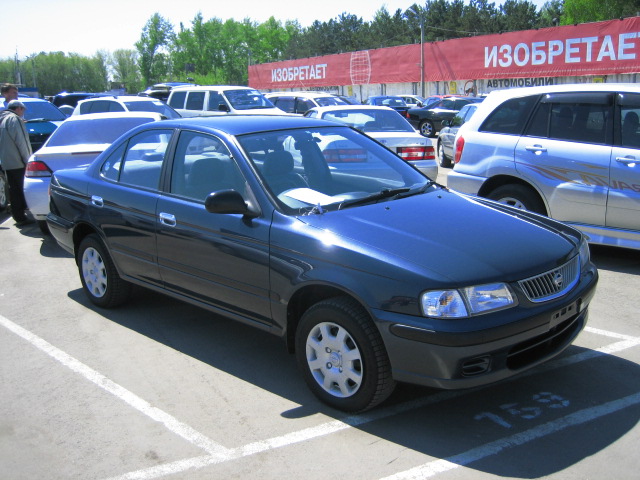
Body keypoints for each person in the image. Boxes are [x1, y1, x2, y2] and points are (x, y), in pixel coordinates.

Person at [0, 99, 33, 226]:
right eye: (23, 110)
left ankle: (18, 215)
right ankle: (22, 215)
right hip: (18, 162)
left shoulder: (2, 119)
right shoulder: (14, 119)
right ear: (18, 108)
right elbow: (22, 142)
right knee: (21, 189)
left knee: (13, 190)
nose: (23, 112)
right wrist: (28, 160)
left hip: (7, 162)